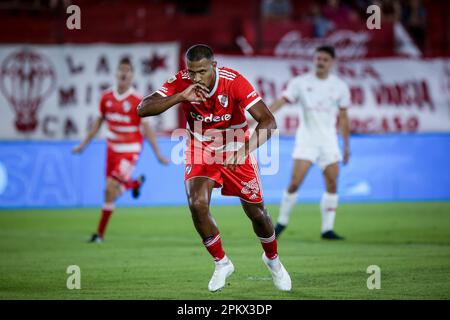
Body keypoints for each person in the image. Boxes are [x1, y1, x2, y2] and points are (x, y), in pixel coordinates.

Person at [137, 44, 291, 292]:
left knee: (257, 213)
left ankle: (272, 259)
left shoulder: (234, 81)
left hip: (235, 146)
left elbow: (269, 120)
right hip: (200, 148)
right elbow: (142, 109)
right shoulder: (182, 81)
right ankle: (222, 263)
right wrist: (179, 96)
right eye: (192, 72)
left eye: (202, 72)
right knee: (197, 203)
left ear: (214, 66)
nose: (196, 78)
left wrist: (244, 150)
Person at [73, 57, 169, 243]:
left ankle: (99, 235)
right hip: (111, 149)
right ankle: (134, 184)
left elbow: (147, 129)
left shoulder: (137, 100)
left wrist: (158, 154)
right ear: (116, 73)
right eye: (121, 70)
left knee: (109, 189)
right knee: (111, 192)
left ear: (132, 76)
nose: (124, 73)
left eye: (128, 70)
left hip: (130, 149)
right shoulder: (106, 97)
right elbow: (99, 122)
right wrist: (83, 144)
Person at [269, 45, 351, 240]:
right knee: (295, 182)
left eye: (324, 59)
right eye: (318, 59)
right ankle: (281, 222)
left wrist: (346, 145)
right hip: (306, 141)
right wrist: (262, 116)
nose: (320, 62)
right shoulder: (301, 82)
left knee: (332, 183)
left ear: (332, 63)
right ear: (314, 60)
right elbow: (282, 101)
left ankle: (327, 229)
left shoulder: (340, 87)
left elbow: (344, 117)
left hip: (329, 142)